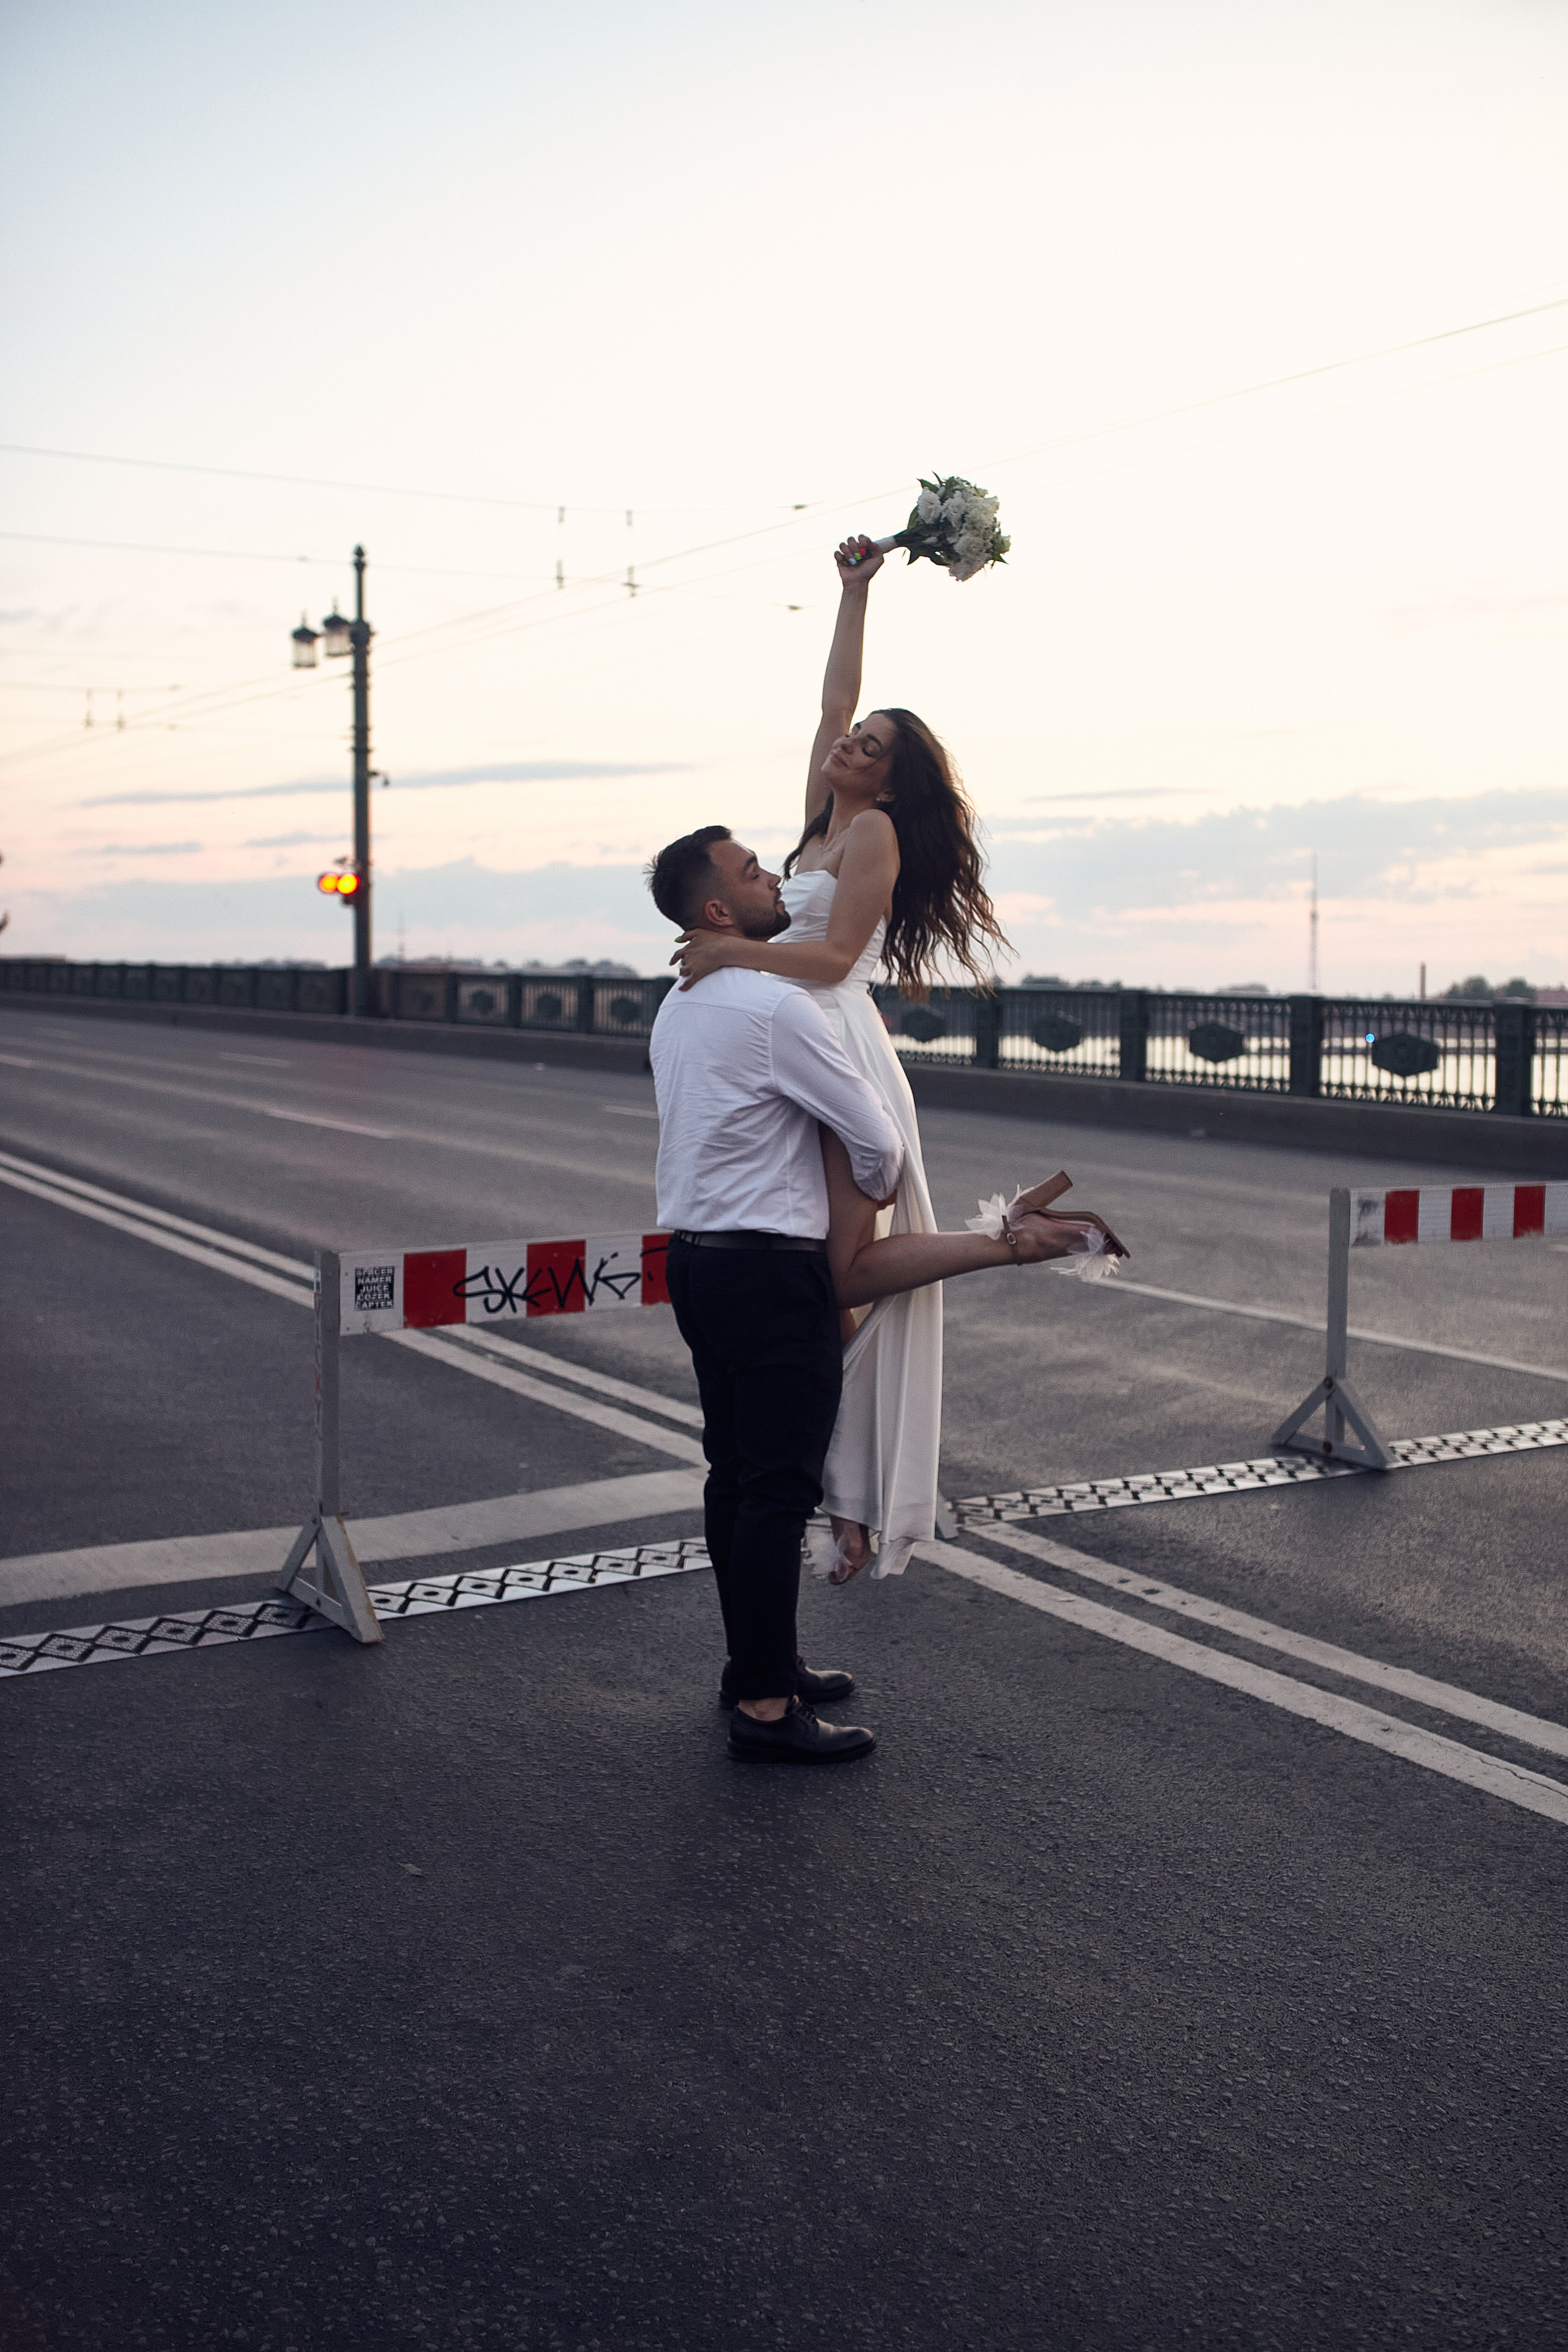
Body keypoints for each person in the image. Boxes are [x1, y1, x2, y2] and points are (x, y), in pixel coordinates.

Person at [671, 533, 1095, 1583]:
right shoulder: (822, 820)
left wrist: (730, 949)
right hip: (800, 1034)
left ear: (894, 780)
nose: (846, 746)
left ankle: (855, 1491)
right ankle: (841, 1500)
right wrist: (854, 592)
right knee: (823, 1287)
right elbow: (832, 699)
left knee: (839, 1276)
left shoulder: (874, 839)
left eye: (868, 748)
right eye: (851, 739)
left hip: (838, 1042)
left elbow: (835, 958)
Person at [646, 825, 1115, 1765]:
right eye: (749, 873)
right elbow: (880, 1145)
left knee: (734, 1479)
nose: (770, 877)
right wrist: (852, 1225)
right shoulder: (779, 1009)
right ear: (717, 912)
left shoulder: (680, 1004)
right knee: (777, 1491)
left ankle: (755, 1669)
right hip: (775, 1272)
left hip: (697, 1262)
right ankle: (769, 1708)